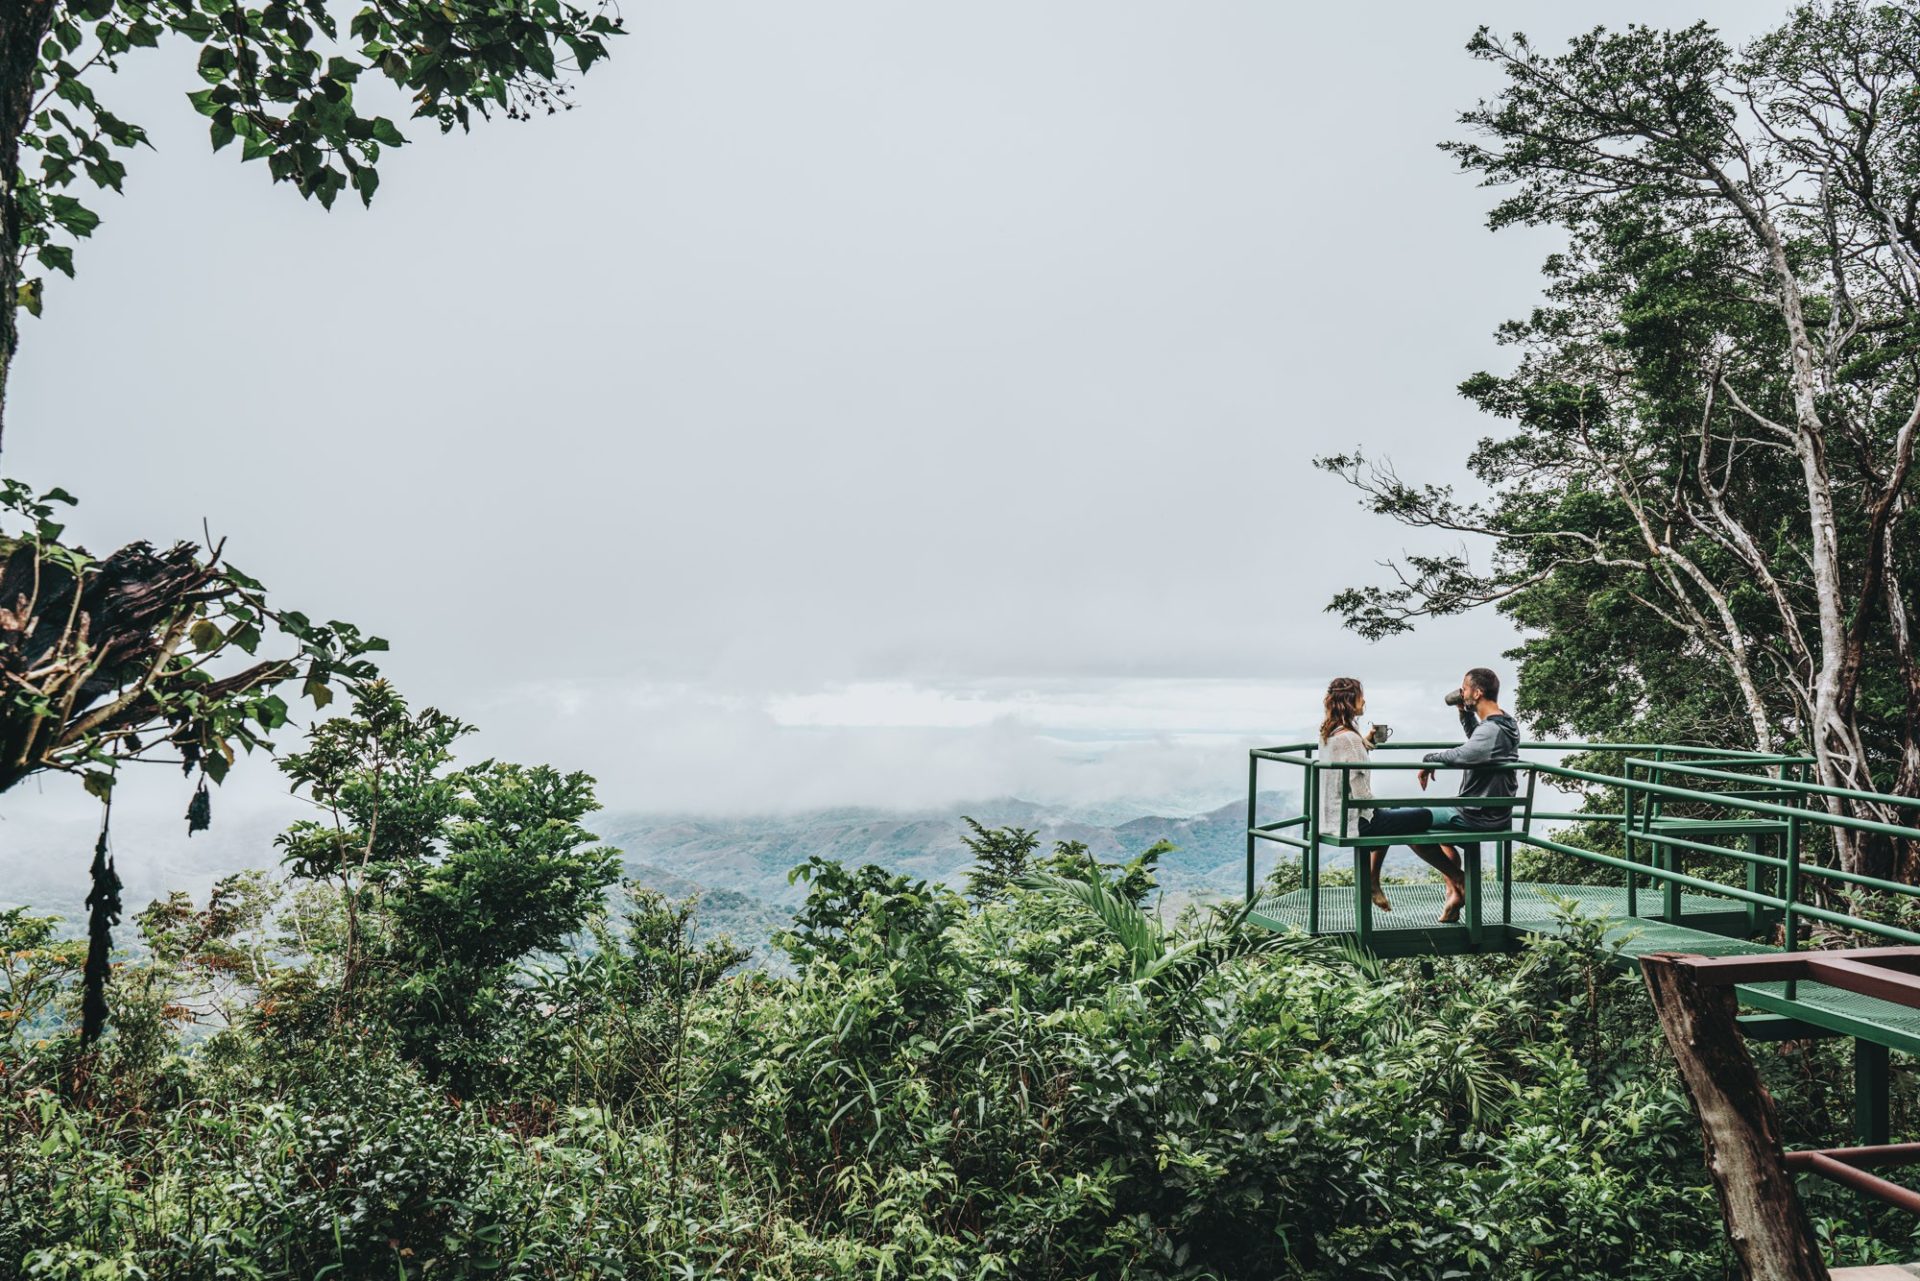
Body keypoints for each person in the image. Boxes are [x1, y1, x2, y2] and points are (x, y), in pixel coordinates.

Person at [1412, 667, 1522, 924]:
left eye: (1465, 688)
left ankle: (1461, 881)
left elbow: (1465, 755)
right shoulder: (1505, 722)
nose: (1461, 692)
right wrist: (1463, 712)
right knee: (1440, 837)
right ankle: (1453, 892)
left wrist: (1430, 758)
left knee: (1410, 823)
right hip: (1492, 810)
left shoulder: (1492, 730)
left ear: (1478, 692)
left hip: (1478, 814)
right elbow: (1477, 740)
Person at [1316, 676, 1433, 913]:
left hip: (1332, 817)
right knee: (1424, 816)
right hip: (1355, 823)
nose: (1364, 700)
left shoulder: (1330, 733)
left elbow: (1350, 752)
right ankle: (1373, 881)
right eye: (1360, 695)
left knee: (1394, 814)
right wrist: (1380, 807)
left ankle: (1373, 881)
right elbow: (1362, 795)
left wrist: (1366, 743)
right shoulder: (1350, 739)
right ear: (1351, 701)